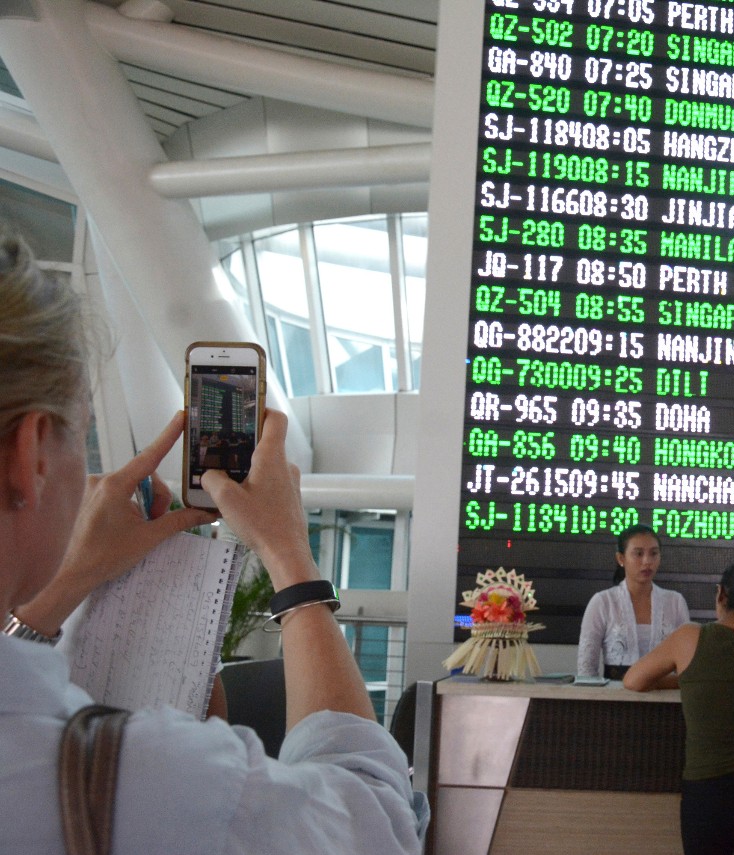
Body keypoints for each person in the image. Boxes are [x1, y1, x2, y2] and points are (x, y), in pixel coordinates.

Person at [0, 231, 427, 853]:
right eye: (83, 437)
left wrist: (58, 592)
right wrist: (289, 556)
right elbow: (378, 819)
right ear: (32, 454)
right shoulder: (150, 784)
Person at [625, 558, 734, 855]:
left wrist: (688, 679)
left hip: (708, 795)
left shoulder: (690, 638)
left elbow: (634, 680)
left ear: (721, 594)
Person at [576, 524, 690, 679]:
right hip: (615, 697)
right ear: (621, 558)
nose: (647, 561)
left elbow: (686, 664)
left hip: (665, 697)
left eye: (653, 554)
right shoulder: (603, 602)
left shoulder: (675, 602)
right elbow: (586, 668)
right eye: (638, 554)